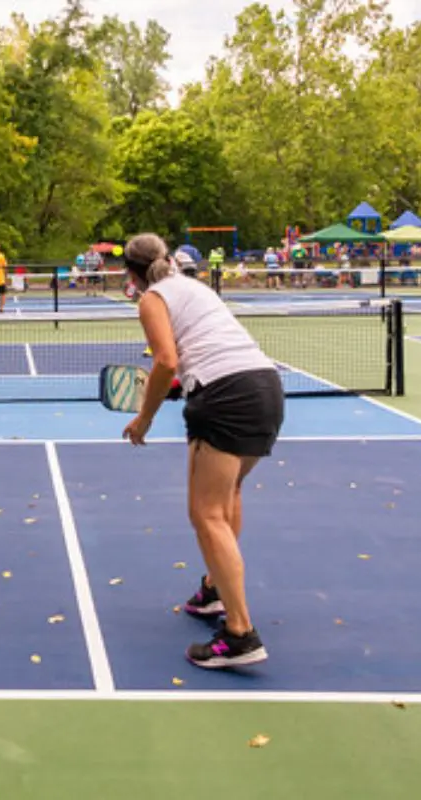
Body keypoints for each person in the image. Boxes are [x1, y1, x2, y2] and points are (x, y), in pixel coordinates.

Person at [120, 232, 284, 669]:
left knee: (206, 514)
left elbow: (166, 360)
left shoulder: (151, 298)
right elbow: (199, 354)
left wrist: (144, 418)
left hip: (226, 398)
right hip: (265, 388)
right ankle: (215, 590)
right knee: (227, 497)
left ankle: (240, 633)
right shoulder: (196, 287)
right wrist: (177, 389)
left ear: (133, 275)